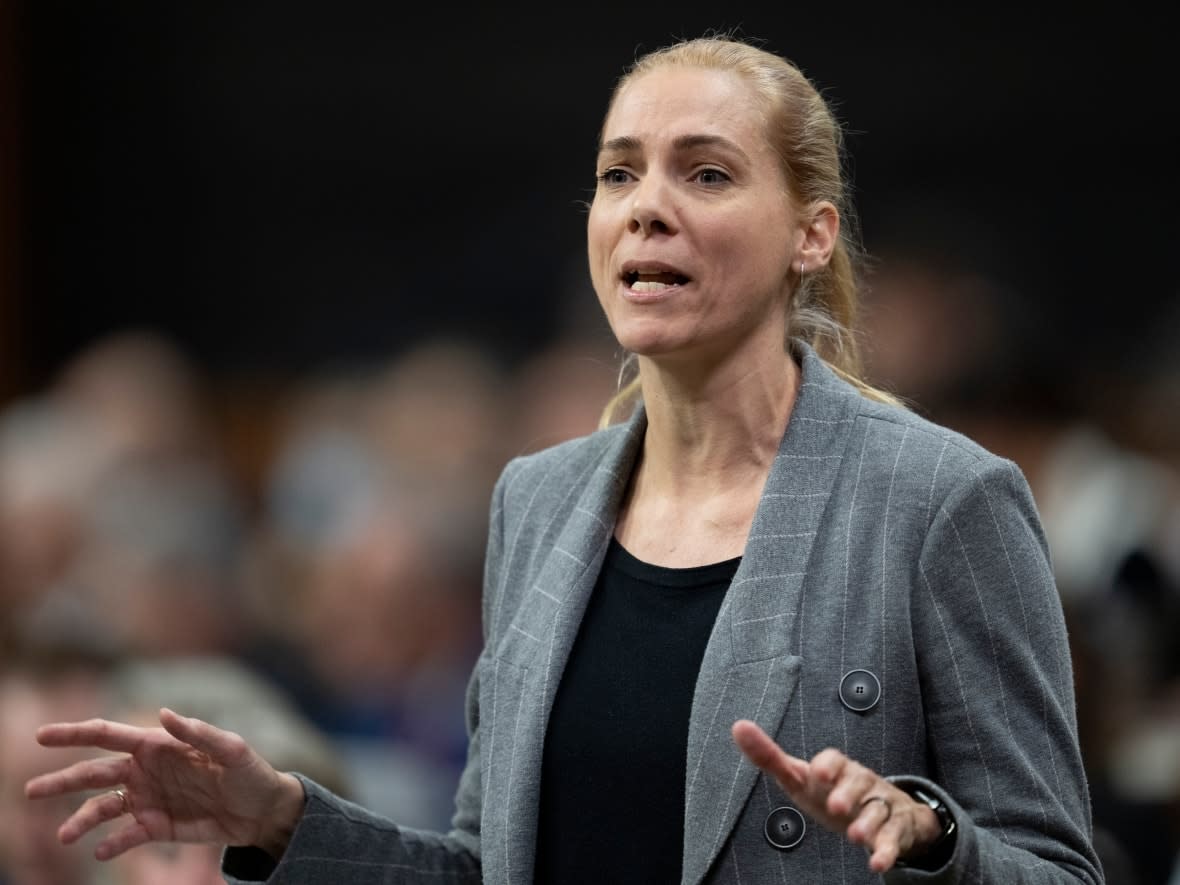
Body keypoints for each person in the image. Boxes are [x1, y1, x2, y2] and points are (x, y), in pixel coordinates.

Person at [24, 34, 1104, 884]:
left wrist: (929, 842)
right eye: (618, 174)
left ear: (810, 236)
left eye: (708, 174)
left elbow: (1054, 870)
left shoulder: (940, 500)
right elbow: (481, 871)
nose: (647, 207)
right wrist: (281, 820)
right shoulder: (536, 505)